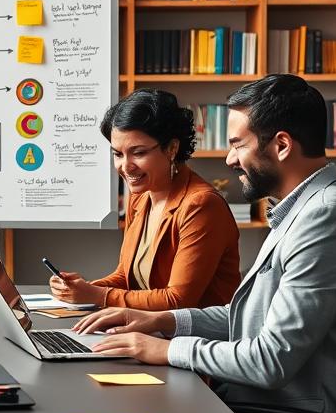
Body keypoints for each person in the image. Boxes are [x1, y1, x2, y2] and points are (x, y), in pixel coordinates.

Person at [5, 74, 336, 413]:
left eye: (238, 144)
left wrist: (165, 348)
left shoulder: (325, 221)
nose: (231, 159)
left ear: (280, 145)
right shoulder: (310, 210)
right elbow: (249, 318)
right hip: (257, 410)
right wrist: (164, 322)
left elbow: (270, 360)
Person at [48, 89, 240, 311]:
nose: (126, 166)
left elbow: (178, 300)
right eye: (118, 154)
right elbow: (125, 276)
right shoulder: (140, 197)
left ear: (172, 148)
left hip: (197, 339)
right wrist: (81, 288)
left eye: (138, 153)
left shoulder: (201, 205)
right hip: (150, 329)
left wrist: (95, 294)